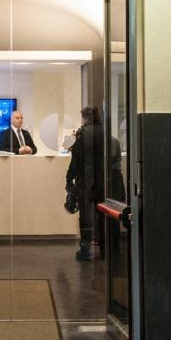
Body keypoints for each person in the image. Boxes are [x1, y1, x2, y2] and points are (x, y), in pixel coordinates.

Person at [65, 105, 105, 262]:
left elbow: (76, 159)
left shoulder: (83, 133)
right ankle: (105, 249)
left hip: (85, 179)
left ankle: (85, 249)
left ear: (85, 117)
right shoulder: (104, 132)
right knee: (102, 214)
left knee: (85, 216)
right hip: (101, 178)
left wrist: (69, 178)